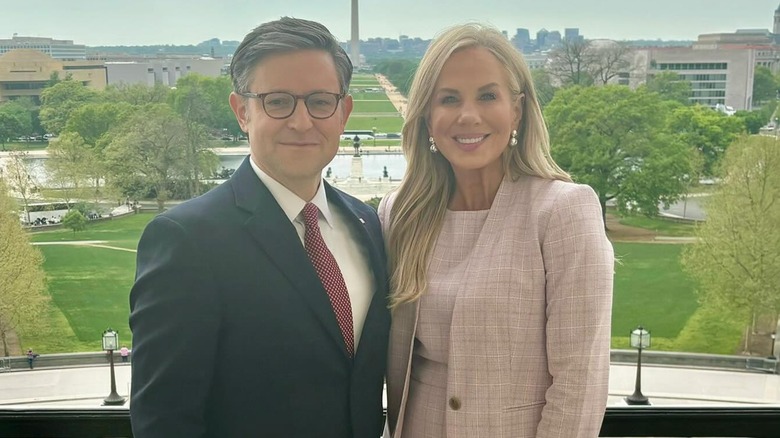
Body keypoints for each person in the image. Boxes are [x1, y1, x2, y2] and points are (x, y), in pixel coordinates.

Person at [129, 17, 390, 438]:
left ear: (344, 112)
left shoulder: (367, 224)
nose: (302, 122)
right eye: (278, 101)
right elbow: (164, 421)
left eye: (320, 101)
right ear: (242, 111)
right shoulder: (188, 241)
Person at [379, 24, 614, 437]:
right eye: (449, 99)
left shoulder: (562, 212)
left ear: (516, 110)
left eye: (488, 96)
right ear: (427, 117)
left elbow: (580, 383)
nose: (468, 115)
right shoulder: (401, 213)